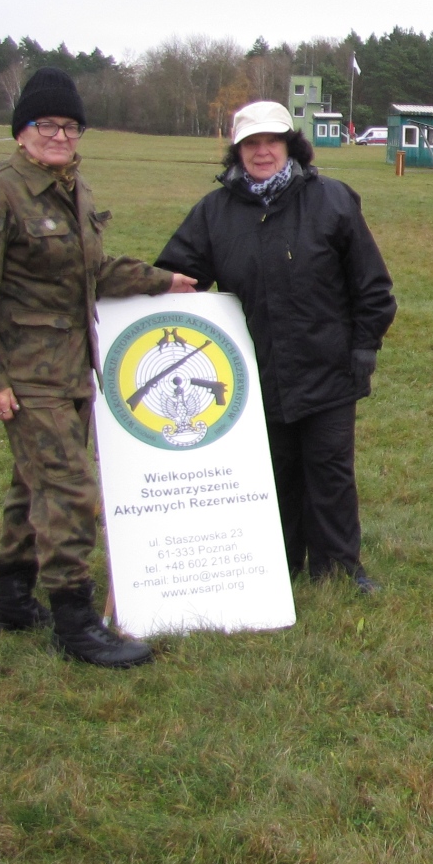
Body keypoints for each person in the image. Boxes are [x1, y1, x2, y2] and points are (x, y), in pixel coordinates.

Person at [0, 67, 198, 668]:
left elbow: (92, 272)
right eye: (47, 124)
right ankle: (74, 620)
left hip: (72, 368)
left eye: (70, 125)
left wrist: (163, 281)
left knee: (32, 482)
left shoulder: (71, 189)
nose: (60, 135)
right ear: (21, 131)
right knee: (69, 489)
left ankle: (10, 598)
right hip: (26, 374)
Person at [155, 100, 396, 591]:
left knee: (329, 472)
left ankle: (340, 568)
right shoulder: (213, 212)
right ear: (237, 150)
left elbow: (372, 285)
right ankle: (277, 565)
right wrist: (141, 289)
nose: (262, 152)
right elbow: (180, 274)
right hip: (255, 371)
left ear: (290, 145)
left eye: (272, 141)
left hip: (328, 366)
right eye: (251, 143)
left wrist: (363, 347)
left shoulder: (332, 200)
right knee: (274, 472)